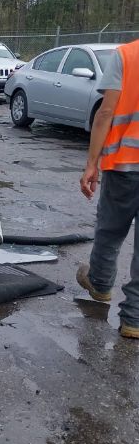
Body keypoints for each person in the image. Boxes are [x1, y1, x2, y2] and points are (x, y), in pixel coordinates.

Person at [78, 38, 139, 339]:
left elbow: (106, 112)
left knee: (111, 229)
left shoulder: (127, 55)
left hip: (126, 164)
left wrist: (92, 163)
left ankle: (100, 285)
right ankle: (134, 320)